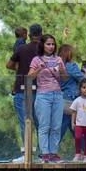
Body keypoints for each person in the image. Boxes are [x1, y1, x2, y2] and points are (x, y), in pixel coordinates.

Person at [29, 34, 67, 162]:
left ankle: (53, 153)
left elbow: (65, 78)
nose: (51, 47)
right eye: (48, 44)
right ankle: (44, 153)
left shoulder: (58, 59)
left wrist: (61, 69)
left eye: (53, 44)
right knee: (44, 126)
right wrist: (39, 69)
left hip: (57, 94)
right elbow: (29, 78)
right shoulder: (36, 59)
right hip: (43, 95)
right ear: (43, 45)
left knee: (56, 126)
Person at [7, 22, 42, 159]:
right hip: (40, 90)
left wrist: (21, 69)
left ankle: (26, 153)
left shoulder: (21, 48)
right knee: (41, 123)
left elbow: (9, 65)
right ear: (40, 34)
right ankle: (43, 154)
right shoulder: (45, 49)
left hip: (22, 88)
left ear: (30, 34)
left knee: (25, 122)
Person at [57, 43, 83, 151]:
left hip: (60, 98)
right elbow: (82, 79)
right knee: (62, 127)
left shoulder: (57, 66)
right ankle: (47, 152)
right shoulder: (71, 66)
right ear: (68, 54)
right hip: (70, 99)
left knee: (72, 127)